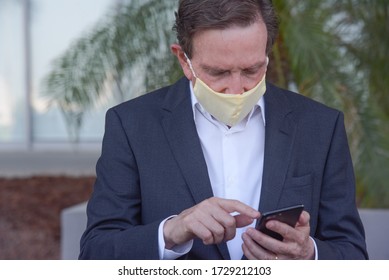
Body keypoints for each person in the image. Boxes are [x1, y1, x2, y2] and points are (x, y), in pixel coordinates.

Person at [79, 0, 368, 260]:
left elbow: (353, 253)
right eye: (218, 72)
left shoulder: (320, 126)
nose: (237, 89)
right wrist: (171, 231)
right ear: (184, 60)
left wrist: (309, 255)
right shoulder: (131, 124)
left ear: (267, 54)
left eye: (252, 70)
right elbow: (95, 252)